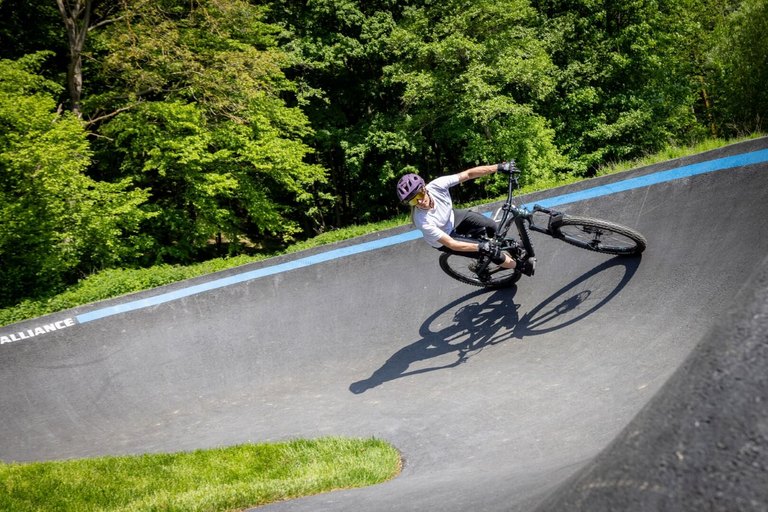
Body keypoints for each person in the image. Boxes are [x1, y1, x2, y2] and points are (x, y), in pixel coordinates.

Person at [397, 162, 530, 273]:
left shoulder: (437, 186)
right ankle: (520, 267)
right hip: (445, 237)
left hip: (453, 217)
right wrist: (482, 247)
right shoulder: (422, 221)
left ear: (424, 188)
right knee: (491, 252)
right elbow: (452, 244)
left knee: (491, 225)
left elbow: (468, 174)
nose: (419, 202)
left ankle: (503, 252)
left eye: (419, 195)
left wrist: (499, 167)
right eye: (413, 201)